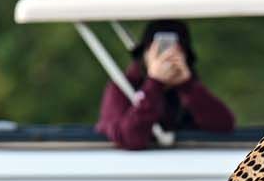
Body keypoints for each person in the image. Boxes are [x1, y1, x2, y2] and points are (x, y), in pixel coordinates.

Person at [95, 20, 235, 149]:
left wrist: (188, 85)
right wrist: (154, 84)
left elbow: (223, 125)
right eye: (159, 51)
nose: (166, 57)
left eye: (175, 52)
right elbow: (129, 138)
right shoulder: (122, 88)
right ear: (145, 54)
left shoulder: (189, 91)